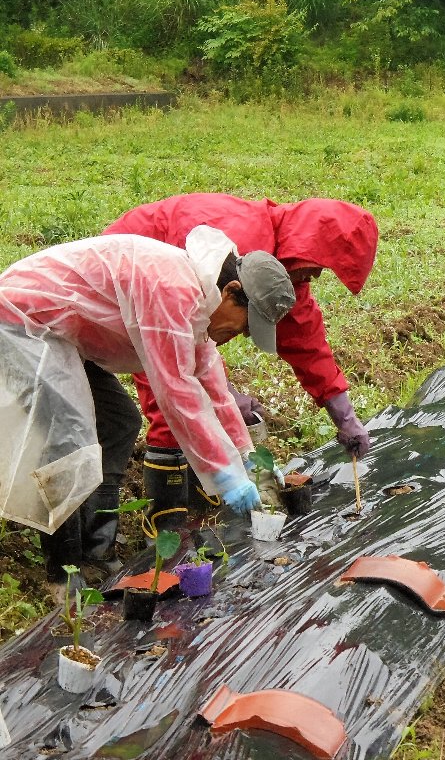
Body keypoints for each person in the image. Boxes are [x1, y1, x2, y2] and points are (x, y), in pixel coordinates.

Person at [0, 226, 295, 588]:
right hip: (23, 318)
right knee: (67, 437)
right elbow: (176, 391)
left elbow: (214, 387)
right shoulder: (173, 290)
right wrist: (226, 477)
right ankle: (62, 573)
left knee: (119, 422)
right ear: (232, 292)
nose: (241, 336)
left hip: (65, 331)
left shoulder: (203, 301)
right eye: (245, 326)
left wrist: (247, 454)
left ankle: (95, 550)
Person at [103, 194, 378, 518]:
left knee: (200, 401)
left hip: (176, 312)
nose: (316, 276)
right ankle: (170, 528)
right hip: (129, 282)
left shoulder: (281, 273)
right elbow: (184, 340)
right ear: (307, 246)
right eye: (318, 266)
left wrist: (343, 415)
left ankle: (203, 508)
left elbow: (305, 339)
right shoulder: (242, 245)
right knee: (173, 409)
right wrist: (225, 395)